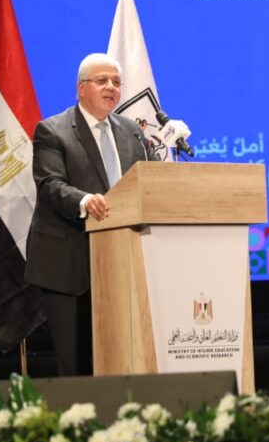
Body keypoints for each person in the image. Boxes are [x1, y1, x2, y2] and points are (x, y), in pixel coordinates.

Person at [24, 52, 189, 376]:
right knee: (76, 363)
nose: (111, 87)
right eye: (102, 81)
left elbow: (146, 180)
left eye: (116, 82)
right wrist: (85, 201)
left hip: (121, 262)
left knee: (120, 357)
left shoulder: (131, 131)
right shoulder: (53, 130)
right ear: (81, 88)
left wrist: (169, 149)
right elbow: (49, 185)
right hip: (69, 263)